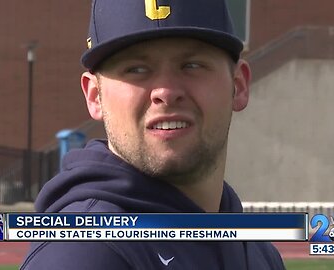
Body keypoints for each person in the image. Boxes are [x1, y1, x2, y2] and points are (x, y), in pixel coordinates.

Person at [21, 0, 285, 269]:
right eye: (136, 69)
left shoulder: (256, 250)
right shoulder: (83, 254)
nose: (166, 92)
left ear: (238, 85)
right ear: (94, 96)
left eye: (192, 65)